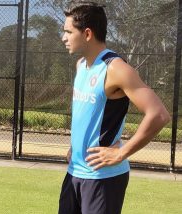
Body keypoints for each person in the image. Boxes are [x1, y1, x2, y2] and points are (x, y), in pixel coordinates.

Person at [59, 1, 170, 214]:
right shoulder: (81, 65)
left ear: (87, 33)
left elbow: (159, 114)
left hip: (103, 178)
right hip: (74, 173)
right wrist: (76, 147)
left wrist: (121, 153)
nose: (63, 37)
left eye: (68, 31)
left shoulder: (116, 68)